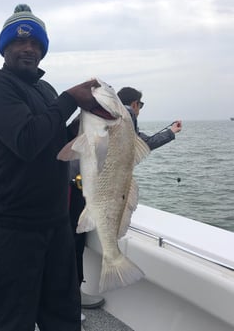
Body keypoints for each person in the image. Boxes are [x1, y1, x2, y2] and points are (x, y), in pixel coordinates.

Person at [0, 4, 99, 331]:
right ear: (5, 48)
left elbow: (57, 142)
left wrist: (90, 122)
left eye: (36, 43)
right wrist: (71, 98)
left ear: (43, 50)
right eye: (19, 42)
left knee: (63, 318)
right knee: (7, 321)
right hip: (12, 230)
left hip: (56, 226)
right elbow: (27, 140)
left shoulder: (45, 91)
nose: (28, 49)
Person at [68, 86, 182, 314]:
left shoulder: (112, 119)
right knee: (72, 244)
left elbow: (136, 146)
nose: (137, 111)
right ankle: (71, 297)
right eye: (140, 105)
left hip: (81, 187)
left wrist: (169, 132)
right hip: (78, 189)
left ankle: (71, 294)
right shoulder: (122, 115)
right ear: (135, 104)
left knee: (72, 242)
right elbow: (141, 143)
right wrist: (170, 132)